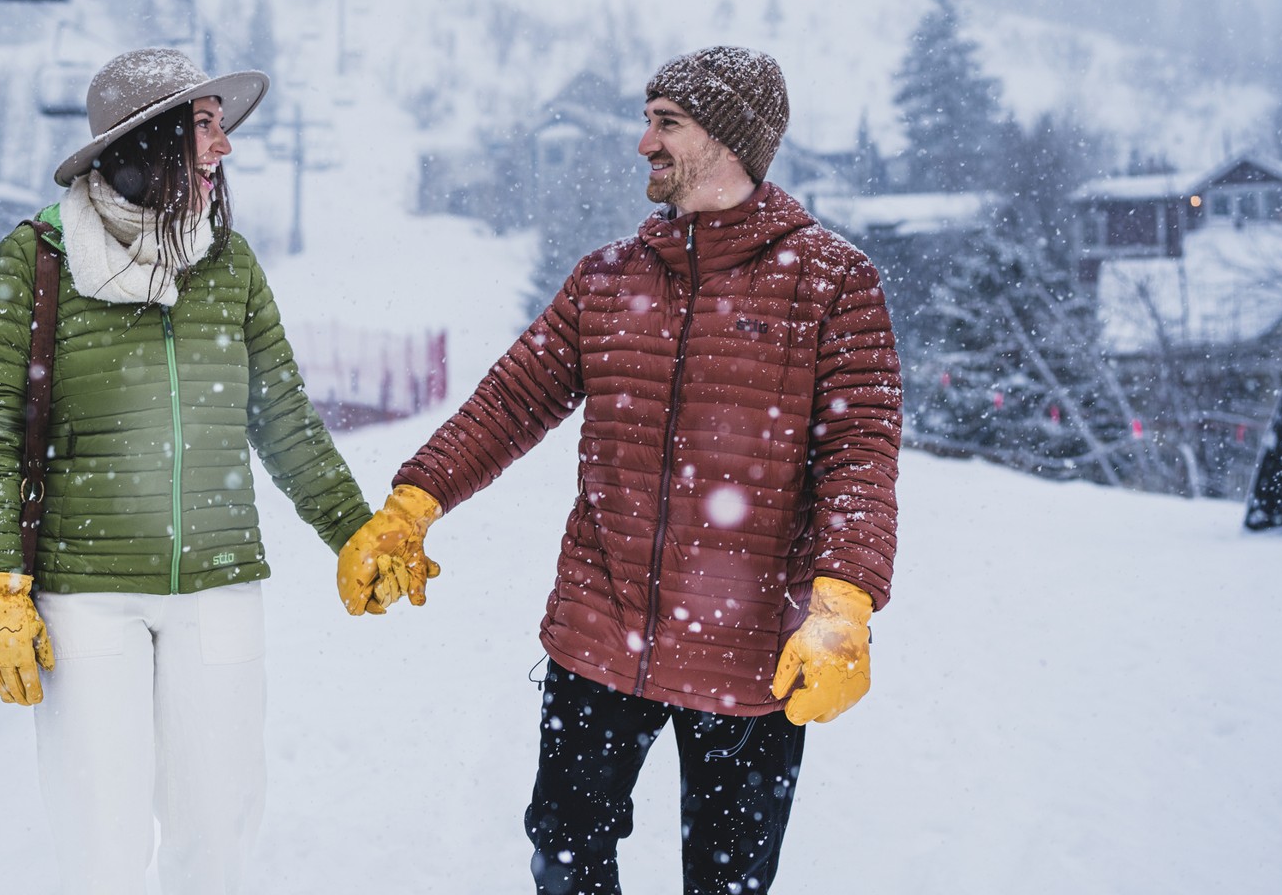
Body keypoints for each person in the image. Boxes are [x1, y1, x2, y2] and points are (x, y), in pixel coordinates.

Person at [339, 46, 901, 894]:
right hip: (600, 636)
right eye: (647, 121)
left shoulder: (831, 283)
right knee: (565, 862)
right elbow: (510, 400)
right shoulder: (608, 279)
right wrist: (412, 504)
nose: (644, 143)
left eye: (666, 124)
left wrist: (843, 602)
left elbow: (859, 455)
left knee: (727, 883)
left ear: (729, 138)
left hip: (750, 650)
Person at [0, 47, 372, 895]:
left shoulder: (230, 263)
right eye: (205, 127)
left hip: (217, 582)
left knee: (216, 838)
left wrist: (355, 529)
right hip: (84, 592)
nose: (224, 147)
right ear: (146, 143)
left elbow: (282, 416)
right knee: (101, 846)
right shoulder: (36, 258)